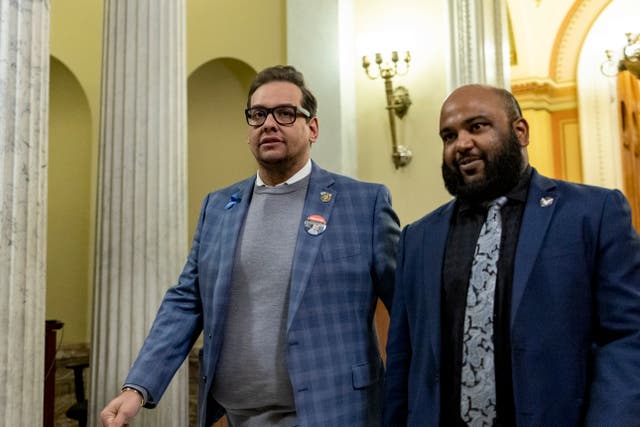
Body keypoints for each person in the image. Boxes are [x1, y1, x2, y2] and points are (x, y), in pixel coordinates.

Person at [100, 65, 400, 427]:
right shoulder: (219, 206)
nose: (269, 124)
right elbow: (186, 300)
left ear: (313, 128)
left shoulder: (362, 203)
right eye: (258, 115)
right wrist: (138, 388)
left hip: (334, 414)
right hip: (237, 417)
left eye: (285, 113)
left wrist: (409, 399)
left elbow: (405, 310)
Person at [383, 84, 640, 427]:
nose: (461, 144)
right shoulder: (418, 239)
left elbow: (626, 335)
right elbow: (404, 356)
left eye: (477, 127)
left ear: (520, 131)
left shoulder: (593, 213)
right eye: (448, 135)